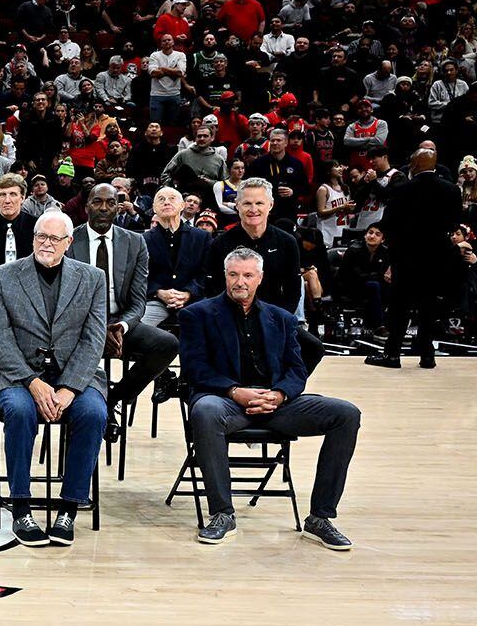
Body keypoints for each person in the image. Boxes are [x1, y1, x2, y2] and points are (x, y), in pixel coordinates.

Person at [180, 247, 360, 550]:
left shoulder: (282, 319)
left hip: (277, 404)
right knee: (205, 411)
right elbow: (195, 368)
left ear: (259, 278)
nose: (240, 282)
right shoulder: (197, 314)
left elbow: (296, 369)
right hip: (226, 399)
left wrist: (278, 394)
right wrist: (236, 391)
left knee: (346, 413)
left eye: (248, 275)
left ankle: (320, 517)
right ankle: (222, 514)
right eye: (234, 274)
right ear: (225, 275)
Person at [0, 210, 110, 547]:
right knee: (21, 411)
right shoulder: (1, 276)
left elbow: (93, 339)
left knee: (93, 413)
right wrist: (33, 382)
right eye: (41, 236)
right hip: (16, 374)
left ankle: (69, 508)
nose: (46, 243)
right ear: (32, 238)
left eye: (54, 238)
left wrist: (68, 388)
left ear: (69, 243)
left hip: (75, 374)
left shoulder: (93, 278)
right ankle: (21, 507)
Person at [69, 183, 182, 429]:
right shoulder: (69, 240)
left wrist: (120, 326)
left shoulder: (134, 242)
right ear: (87, 206)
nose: (103, 208)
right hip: (77, 326)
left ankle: (112, 398)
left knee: (167, 344)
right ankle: (84, 407)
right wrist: (98, 330)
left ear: (117, 208)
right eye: (97, 202)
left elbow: (138, 301)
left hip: (117, 323)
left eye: (110, 203)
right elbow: (64, 299)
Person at [204, 178, 325, 373]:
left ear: (270, 205)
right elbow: (213, 289)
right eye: (247, 203)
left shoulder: (287, 242)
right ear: (237, 206)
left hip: (275, 316)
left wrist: (279, 320)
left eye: (259, 203)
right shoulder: (220, 244)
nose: (253, 209)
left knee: (314, 348)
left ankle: (282, 393)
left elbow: (293, 288)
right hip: (232, 318)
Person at [366, 147, 461, 369]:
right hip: (437, 257)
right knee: (429, 305)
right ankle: (427, 356)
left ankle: (392, 356)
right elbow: (454, 223)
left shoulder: (402, 190)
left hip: (406, 256)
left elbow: (387, 224)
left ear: (415, 165)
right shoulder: (451, 190)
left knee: (400, 307)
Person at [141, 186, 213, 328]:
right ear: (154, 208)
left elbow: (207, 272)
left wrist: (188, 293)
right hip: (155, 300)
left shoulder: (202, 237)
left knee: (207, 326)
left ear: (182, 205)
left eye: (172, 199)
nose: (166, 202)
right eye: (161, 199)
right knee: (137, 328)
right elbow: (138, 276)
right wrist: (158, 292)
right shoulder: (143, 240)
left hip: (194, 300)